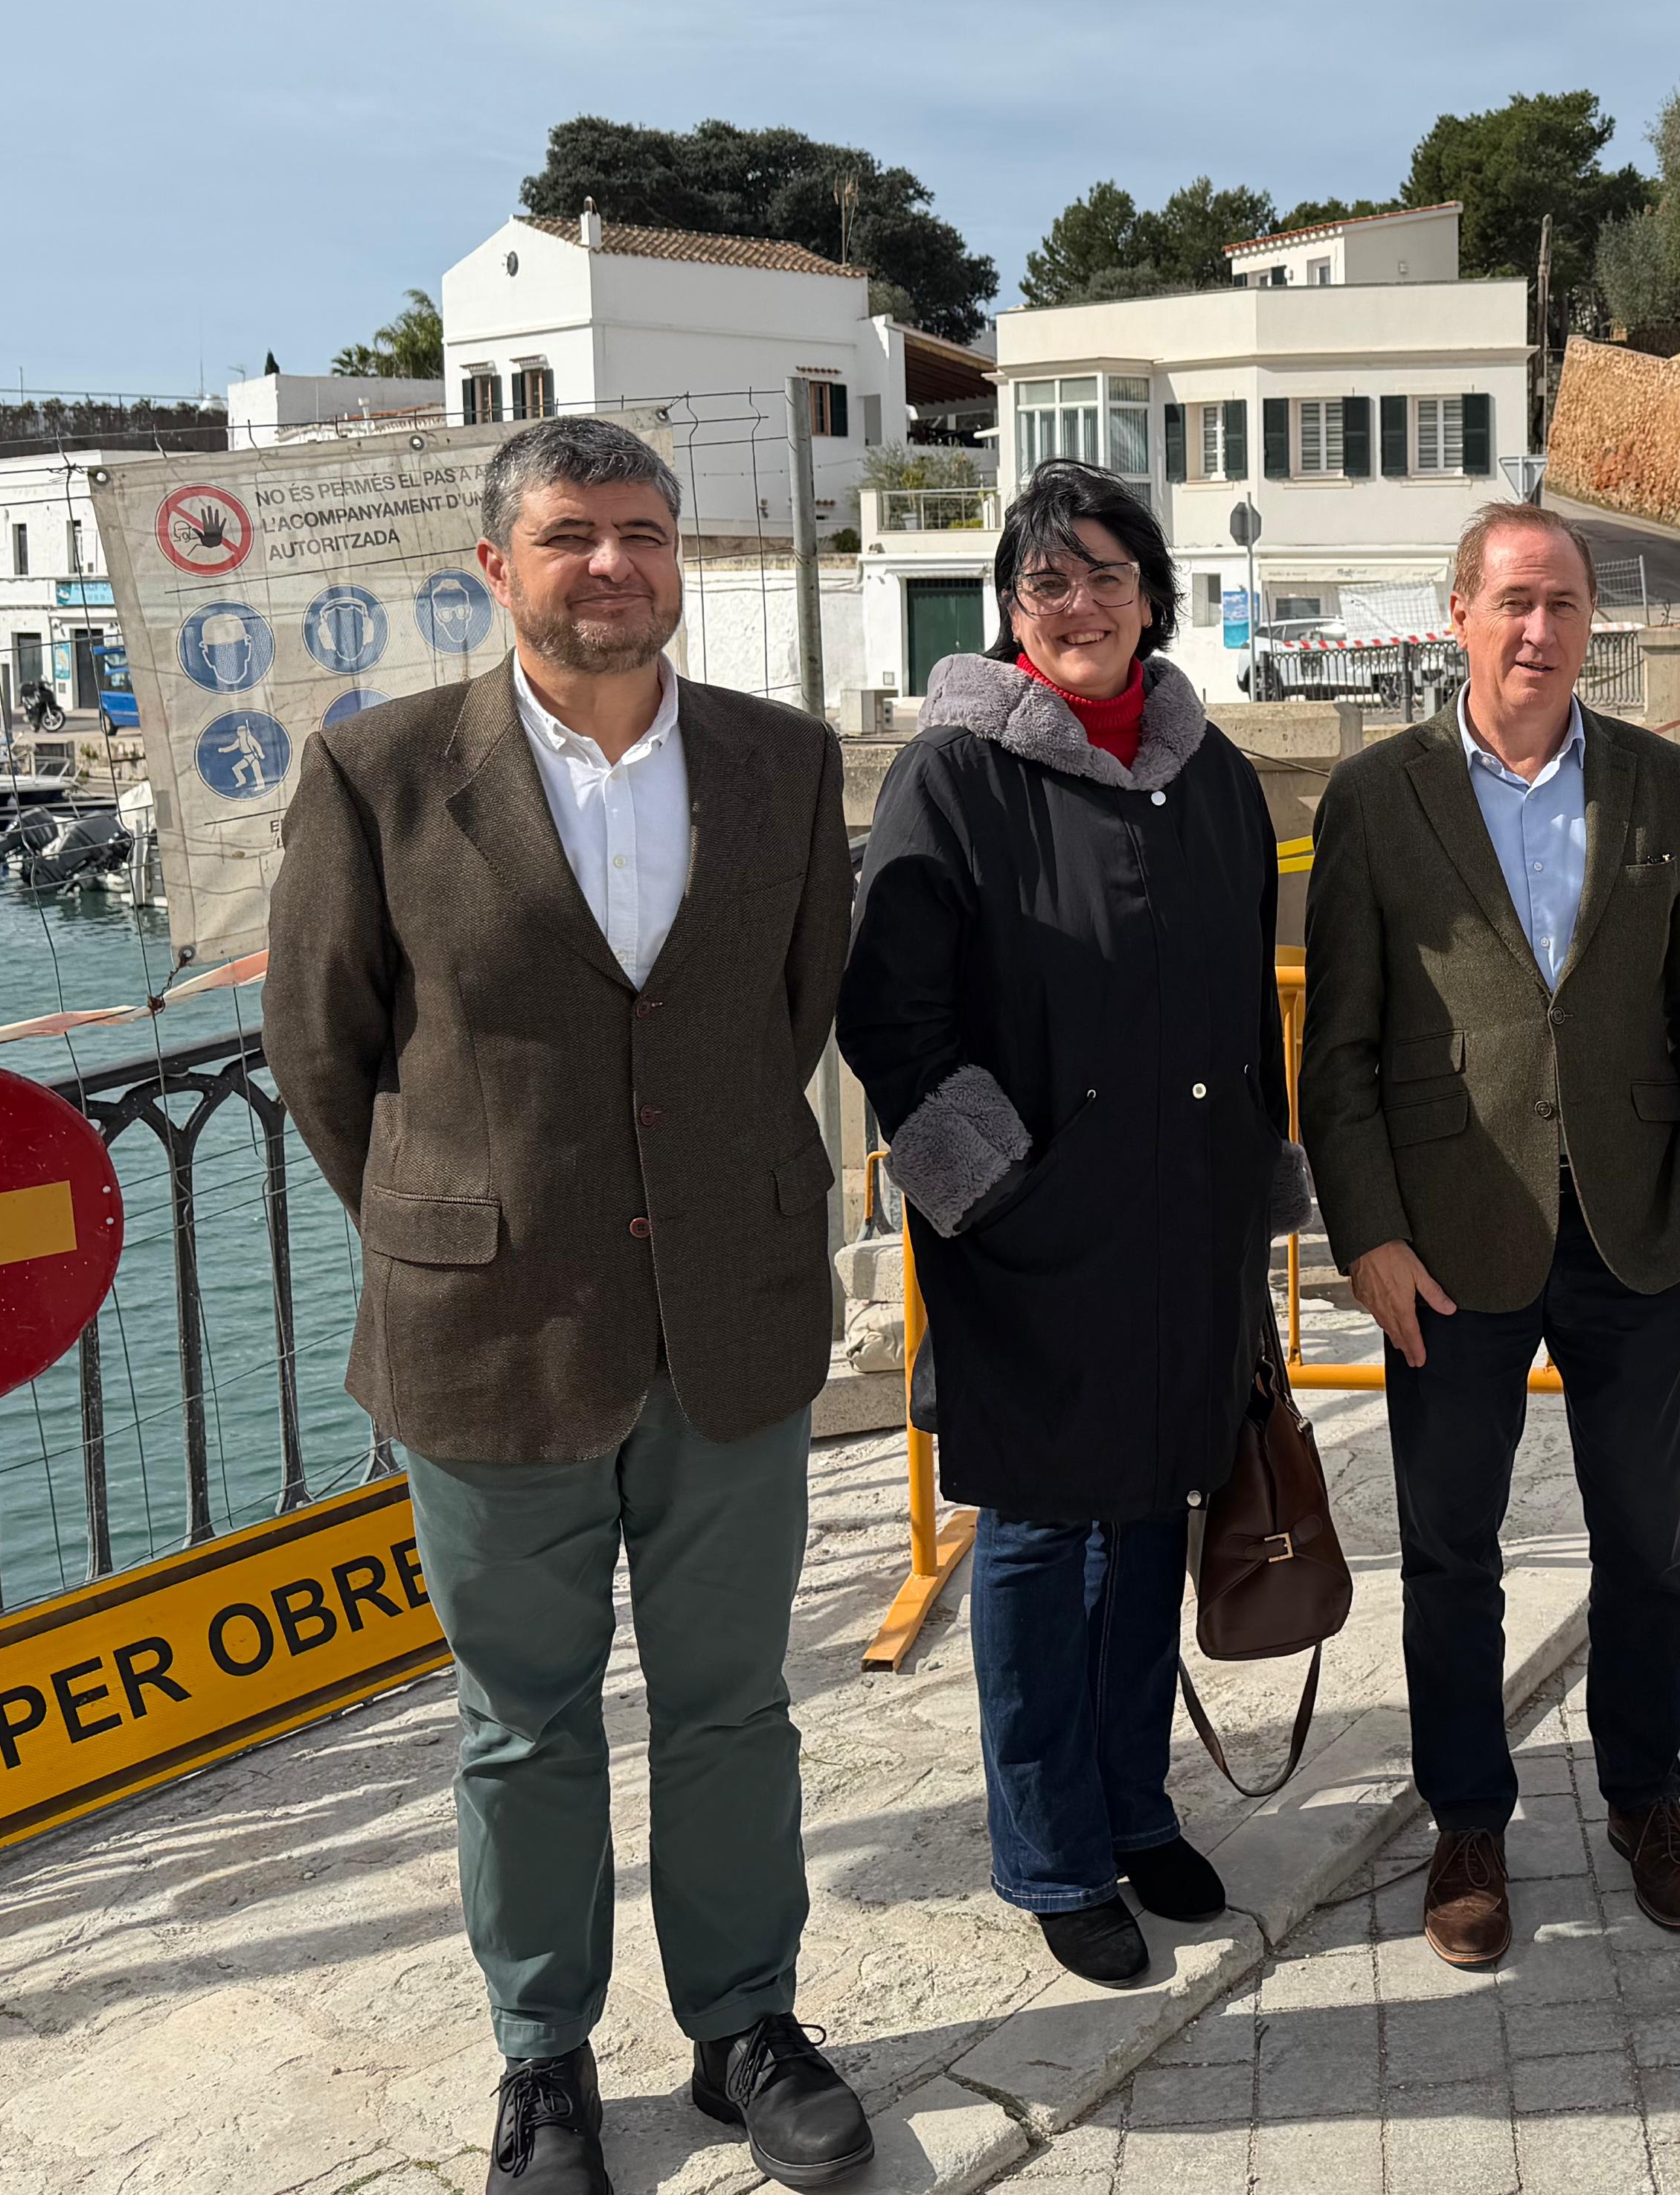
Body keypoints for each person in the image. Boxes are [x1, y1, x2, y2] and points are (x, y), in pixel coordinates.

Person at [268, 417, 871, 2195]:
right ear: (497, 566)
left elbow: (793, 1012)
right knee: (522, 1724)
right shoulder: (380, 773)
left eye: (642, 532)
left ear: (676, 557)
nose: (612, 563)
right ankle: (543, 2061)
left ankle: (744, 2025)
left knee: (732, 1703)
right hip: (488, 1334)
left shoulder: (779, 761)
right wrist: (460, 1223)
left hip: (731, 1315)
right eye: (570, 535)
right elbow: (323, 1047)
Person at [839, 460, 1300, 1987]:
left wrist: (1256, 1189)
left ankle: (1133, 1805)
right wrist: (993, 1188)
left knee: (1153, 1518)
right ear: (1011, 610)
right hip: (1028, 1238)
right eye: (1048, 579)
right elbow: (891, 1018)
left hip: (1185, 1230)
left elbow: (1244, 1008)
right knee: (1042, 1542)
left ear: (1153, 598)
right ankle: (1049, 1851)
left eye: (1107, 574)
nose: (1080, 602)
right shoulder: (954, 775)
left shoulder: (1210, 776)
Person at [1301, 502, 1680, 1967]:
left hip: (1635, 1229)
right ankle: (1468, 1822)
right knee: (1450, 1551)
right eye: (1512, 603)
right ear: (1460, 617)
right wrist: (1367, 1234)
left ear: (1589, 620)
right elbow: (1339, 1047)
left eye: (1562, 604)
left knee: (1651, 1543)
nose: (1538, 630)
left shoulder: (1660, 782)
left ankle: (1646, 1795)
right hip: (1446, 1237)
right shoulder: (1378, 796)